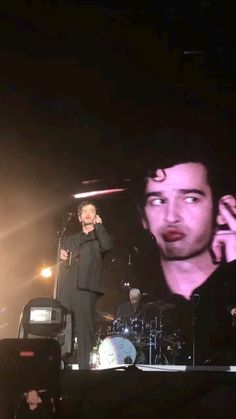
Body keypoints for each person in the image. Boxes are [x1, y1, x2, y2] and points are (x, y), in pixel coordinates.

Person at [132, 129, 236, 365]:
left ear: (222, 208)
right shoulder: (151, 285)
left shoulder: (225, 283)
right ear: (143, 216)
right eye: (158, 200)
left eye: (190, 198)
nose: (171, 216)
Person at [58, 200, 114, 369]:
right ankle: (62, 365)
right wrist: (63, 260)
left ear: (96, 215)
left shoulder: (100, 237)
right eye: (85, 211)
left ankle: (84, 371)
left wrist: (99, 227)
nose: (88, 213)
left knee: (84, 332)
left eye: (92, 211)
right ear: (79, 216)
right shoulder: (70, 239)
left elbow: (107, 246)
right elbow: (66, 266)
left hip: (86, 288)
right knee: (63, 329)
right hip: (68, 288)